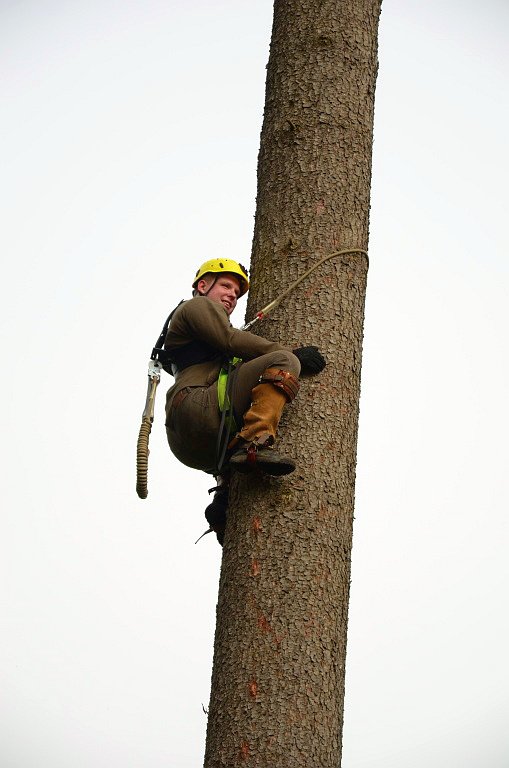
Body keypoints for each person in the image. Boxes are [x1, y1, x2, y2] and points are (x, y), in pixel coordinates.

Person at [163, 258, 326, 543]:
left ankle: (223, 497)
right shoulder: (196, 306)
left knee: (239, 412)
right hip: (195, 405)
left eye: (237, 293)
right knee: (282, 361)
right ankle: (255, 441)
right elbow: (229, 339)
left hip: (190, 444)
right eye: (226, 286)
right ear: (203, 285)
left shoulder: (199, 334)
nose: (232, 296)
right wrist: (291, 354)